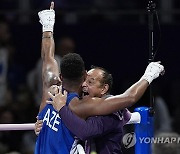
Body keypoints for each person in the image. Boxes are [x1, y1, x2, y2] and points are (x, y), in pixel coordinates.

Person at [35, 2, 164, 154]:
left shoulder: (52, 87)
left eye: (91, 82)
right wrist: (149, 75)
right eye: (87, 80)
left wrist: (48, 25)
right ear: (83, 76)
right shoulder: (81, 105)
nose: (86, 86)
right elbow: (129, 98)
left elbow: (48, 57)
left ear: (61, 76)